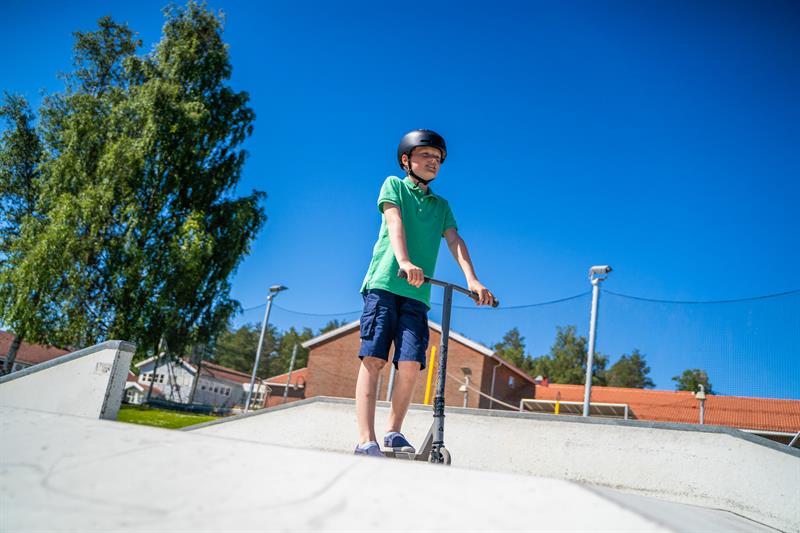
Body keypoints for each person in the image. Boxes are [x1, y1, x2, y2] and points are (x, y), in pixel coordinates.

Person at [354, 129, 495, 457]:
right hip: (385, 284)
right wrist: (403, 260)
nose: (434, 162)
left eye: (438, 159)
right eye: (426, 156)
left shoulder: (441, 206)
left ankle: (392, 432)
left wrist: (473, 280)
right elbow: (394, 222)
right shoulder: (394, 185)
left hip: (417, 295)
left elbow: (455, 241)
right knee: (374, 359)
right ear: (407, 160)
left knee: (409, 364)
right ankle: (365, 439)